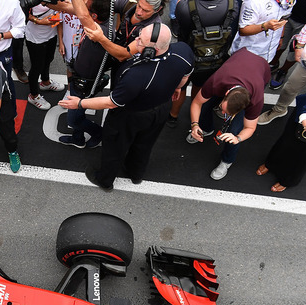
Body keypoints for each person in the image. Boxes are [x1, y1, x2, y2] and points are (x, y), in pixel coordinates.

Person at [62, 23, 194, 190]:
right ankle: (136, 173)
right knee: (145, 145)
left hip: (129, 115)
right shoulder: (183, 51)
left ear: (152, 51)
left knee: (114, 147)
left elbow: (111, 102)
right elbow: (186, 74)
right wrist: (177, 87)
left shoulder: (136, 75)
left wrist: (79, 103)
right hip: (161, 109)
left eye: (141, 40)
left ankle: (105, 180)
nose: (136, 40)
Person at [186, 47, 269, 180]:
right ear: (225, 93)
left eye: (227, 112)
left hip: (260, 70)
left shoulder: (256, 99)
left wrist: (238, 138)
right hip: (238, 65)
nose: (223, 113)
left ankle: (227, 161)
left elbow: (250, 127)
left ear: (245, 107)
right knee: (205, 105)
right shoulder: (216, 81)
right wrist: (195, 125)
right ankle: (205, 128)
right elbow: (196, 103)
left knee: (235, 130)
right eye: (222, 108)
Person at [166, 0, 238, 127]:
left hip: (186, 54)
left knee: (180, 87)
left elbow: (180, 27)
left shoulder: (184, 7)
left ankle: (173, 115)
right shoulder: (232, 5)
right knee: (199, 86)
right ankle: (194, 110)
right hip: (213, 57)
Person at [57, 0, 110, 148]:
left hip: (84, 83)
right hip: (80, 76)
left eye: (86, 8)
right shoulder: (103, 26)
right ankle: (77, 138)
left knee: (73, 119)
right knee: (78, 113)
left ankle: (98, 133)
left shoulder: (97, 33)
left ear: (93, 15)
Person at [266, 0, 306, 89]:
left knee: (295, 52)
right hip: (290, 16)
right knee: (279, 44)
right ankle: (273, 64)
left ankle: (283, 71)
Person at [82, 0, 164, 66]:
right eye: (139, 6)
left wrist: (101, 39)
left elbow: (124, 55)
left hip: (130, 65)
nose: (139, 12)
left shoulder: (152, 29)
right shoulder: (129, 5)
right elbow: (101, 5)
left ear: (158, 10)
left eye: (146, 11)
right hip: (112, 53)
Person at [24, 0, 65, 110]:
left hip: (51, 33)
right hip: (35, 37)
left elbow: (62, 9)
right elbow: (21, 11)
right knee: (37, 66)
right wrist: (39, 21)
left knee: (48, 59)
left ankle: (45, 82)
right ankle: (33, 95)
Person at [227, 0, 292, 63]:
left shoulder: (288, 1)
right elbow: (243, 30)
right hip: (249, 52)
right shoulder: (253, 2)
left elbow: (283, 19)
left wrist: (281, 37)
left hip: (269, 52)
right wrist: (265, 26)